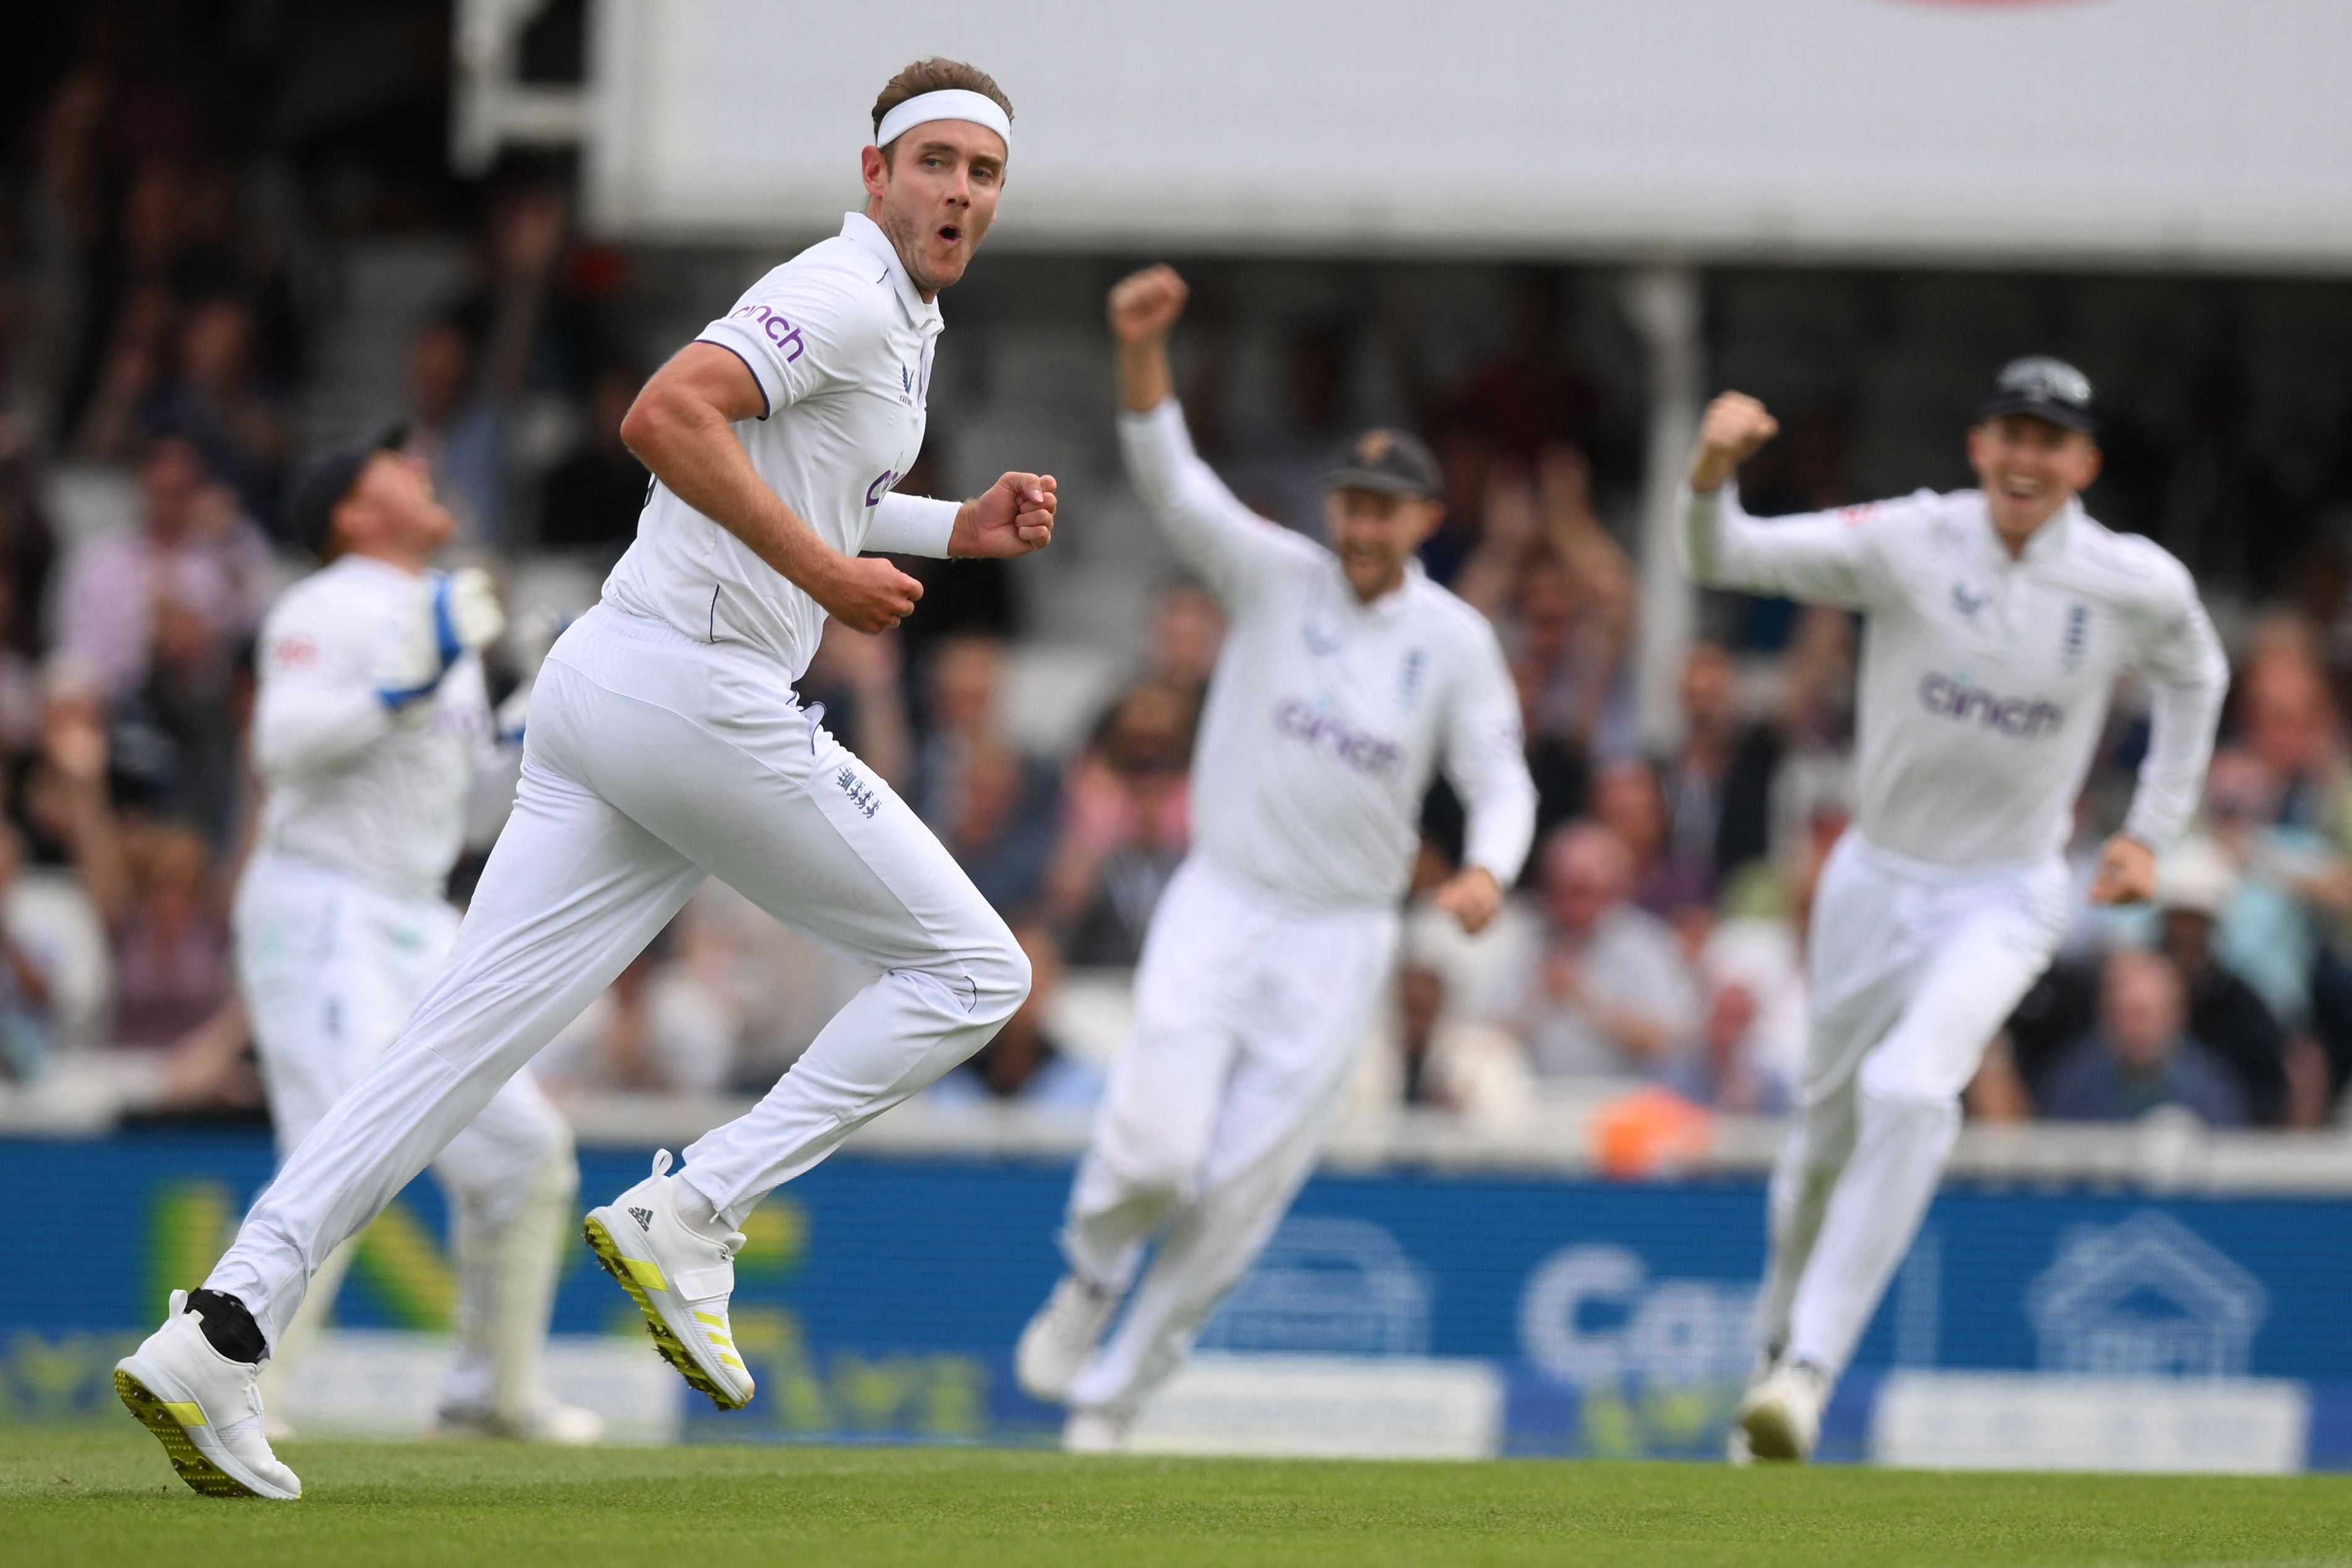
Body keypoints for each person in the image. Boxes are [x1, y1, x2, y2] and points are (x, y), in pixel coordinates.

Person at [114, 59, 1058, 1501]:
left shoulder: (899, 320)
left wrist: (949, 528)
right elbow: (665, 417)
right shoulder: (851, 285)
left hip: (613, 688)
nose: (958, 192)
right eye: (933, 162)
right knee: (976, 974)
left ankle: (221, 1331)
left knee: (447, 1054)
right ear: (874, 175)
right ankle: (700, 1209)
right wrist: (829, 576)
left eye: (981, 173)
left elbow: (818, 481)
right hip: (693, 689)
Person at [1013, 264, 1536, 1452]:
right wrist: (1144, 355)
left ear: (1423, 519)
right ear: (1332, 509)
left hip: (1343, 937)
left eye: (1384, 509)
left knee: (1239, 1196)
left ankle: (1118, 1393)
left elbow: (1502, 778)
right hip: (1225, 899)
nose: (1361, 526)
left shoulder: (1453, 643)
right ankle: (1088, 1276)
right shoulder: (1272, 577)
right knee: (1153, 1151)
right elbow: (1172, 480)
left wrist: (1488, 870)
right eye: (1348, 503)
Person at [1684, 358, 2229, 1463]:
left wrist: (2147, 831)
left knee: (1911, 1084)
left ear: (2084, 463)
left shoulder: (2133, 581)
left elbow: (2197, 676)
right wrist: (1708, 479)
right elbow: (1727, 554)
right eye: (2010, 435)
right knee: (1819, 1152)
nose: (2027, 457)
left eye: (2052, 440)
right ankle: (1772, 1352)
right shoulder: (1908, 537)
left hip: (2009, 889)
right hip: (1874, 878)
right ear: (1978, 448)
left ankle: (1808, 1372)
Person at [226, 433, 599, 1444]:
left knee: (526, 1152)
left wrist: (529, 725)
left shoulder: (444, 615)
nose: (420, 465)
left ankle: (492, 1391)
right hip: (318, 904)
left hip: (417, 912)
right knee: (336, 1139)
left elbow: (468, 819)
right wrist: (395, 686)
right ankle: (235, 1378)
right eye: (389, 462)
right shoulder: (323, 604)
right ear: (350, 513)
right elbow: (279, 746)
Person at [1498, 821, 1701, 1084]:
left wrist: (1585, 999)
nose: (1568, 903)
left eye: (1582, 891)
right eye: (1559, 888)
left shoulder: (1649, 945)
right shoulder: (1525, 941)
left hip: (1622, 1106)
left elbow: (1672, 1042)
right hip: (1536, 1101)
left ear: (1615, 889)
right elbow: (1488, 1040)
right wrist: (1537, 999)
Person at [2036, 948, 2249, 1127]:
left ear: (2176, 1016)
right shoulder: (2072, 1082)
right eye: (2120, 1014)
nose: (2131, 1029)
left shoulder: (2212, 1090)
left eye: (2142, 1015)